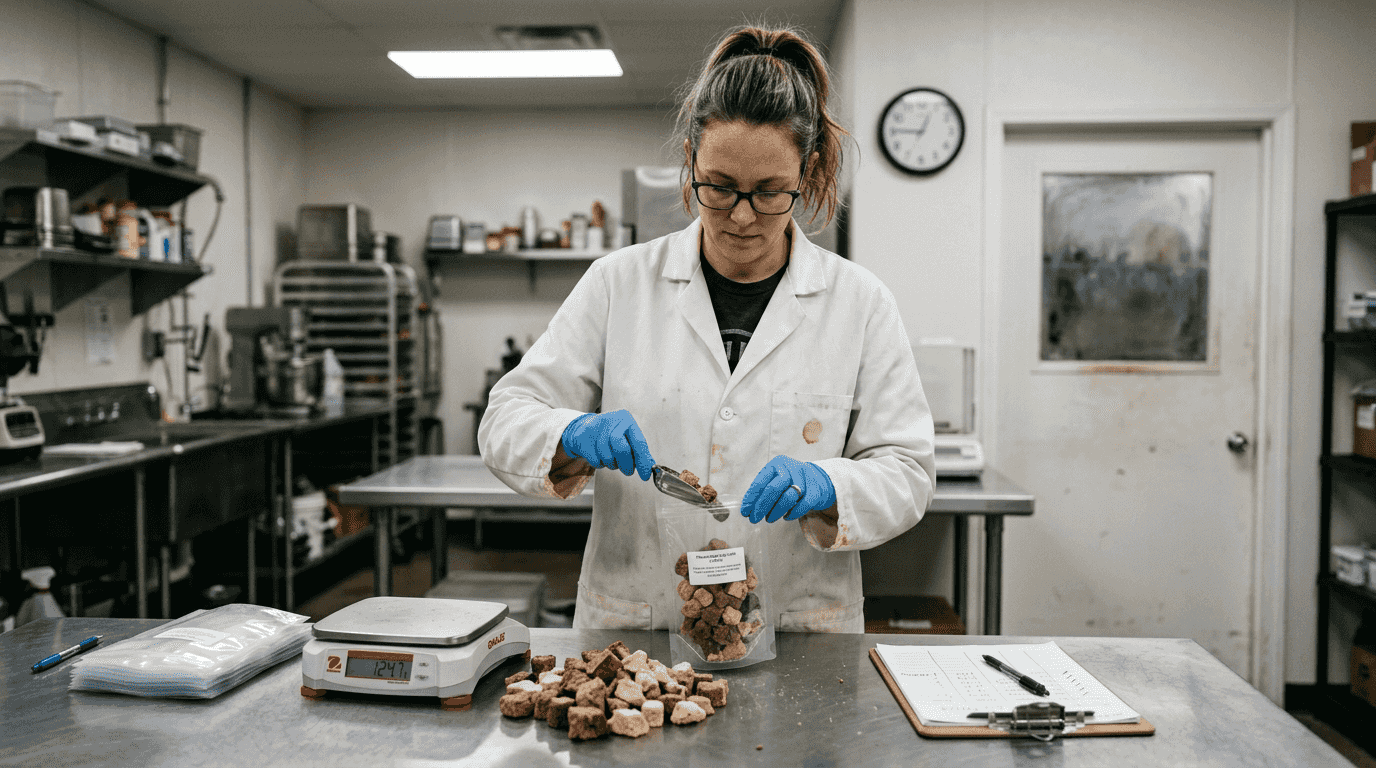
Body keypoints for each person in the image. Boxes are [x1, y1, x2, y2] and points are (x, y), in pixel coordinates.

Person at [480, 24, 934, 633]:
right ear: (691, 159)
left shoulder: (859, 303)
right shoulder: (618, 284)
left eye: (769, 192)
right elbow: (505, 420)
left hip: (796, 633)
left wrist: (830, 484)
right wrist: (570, 433)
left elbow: (907, 470)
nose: (742, 216)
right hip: (641, 631)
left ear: (806, 173)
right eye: (719, 187)